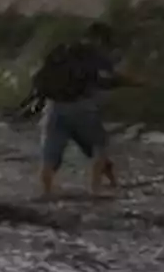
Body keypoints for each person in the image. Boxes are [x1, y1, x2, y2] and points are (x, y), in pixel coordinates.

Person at [33, 20, 138, 198]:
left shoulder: (61, 50)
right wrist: (135, 83)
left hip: (53, 109)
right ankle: (95, 192)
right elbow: (107, 78)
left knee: (49, 157)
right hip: (81, 108)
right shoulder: (93, 54)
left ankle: (46, 193)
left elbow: (40, 76)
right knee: (100, 147)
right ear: (99, 40)